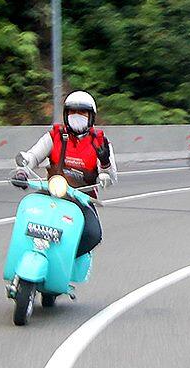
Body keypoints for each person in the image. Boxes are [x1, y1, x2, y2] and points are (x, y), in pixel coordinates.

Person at [12, 91, 116, 257]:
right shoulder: (55, 136)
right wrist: (22, 172)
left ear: (91, 117)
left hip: (82, 197)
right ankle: (22, 257)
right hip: (52, 191)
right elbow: (33, 156)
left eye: (82, 112)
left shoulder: (100, 142)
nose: (77, 116)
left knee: (93, 235)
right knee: (27, 215)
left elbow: (110, 178)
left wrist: (105, 163)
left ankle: (65, 262)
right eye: (72, 112)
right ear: (65, 114)